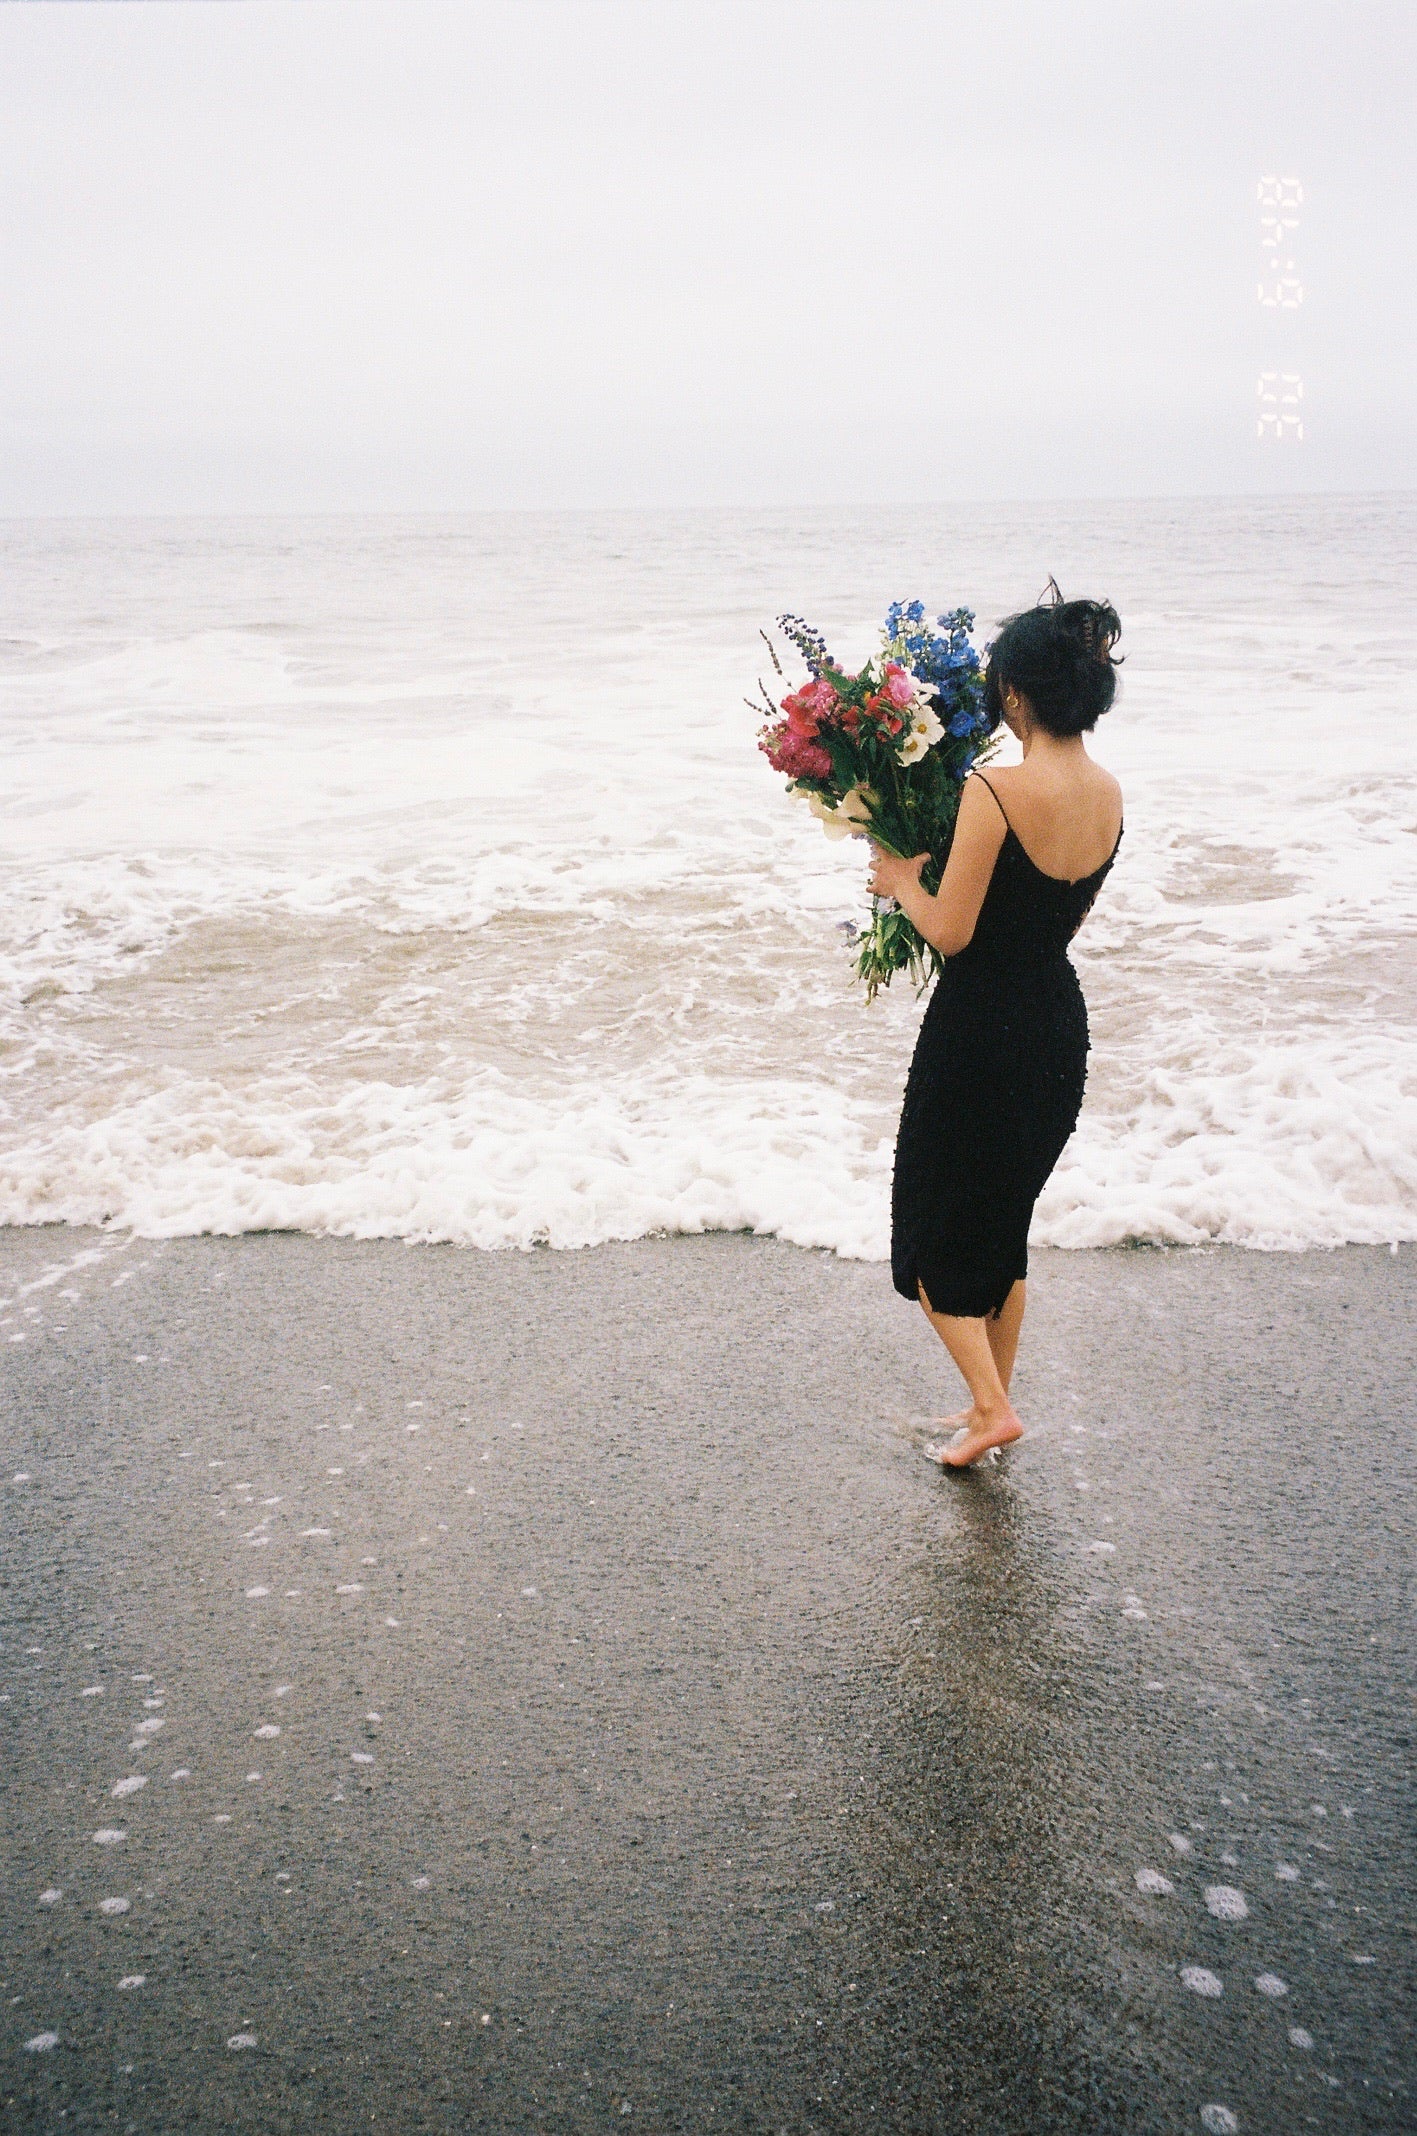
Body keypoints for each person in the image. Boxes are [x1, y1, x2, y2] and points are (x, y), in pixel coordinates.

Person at [867, 589, 1124, 1469]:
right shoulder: (1106, 792)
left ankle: (988, 1405)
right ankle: (990, 1410)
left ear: (1014, 694)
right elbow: (1053, 919)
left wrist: (901, 878)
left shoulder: (995, 786)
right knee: (1002, 1223)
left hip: (979, 1029)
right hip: (1055, 1022)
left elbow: (949, 931)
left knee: (934, 1233)